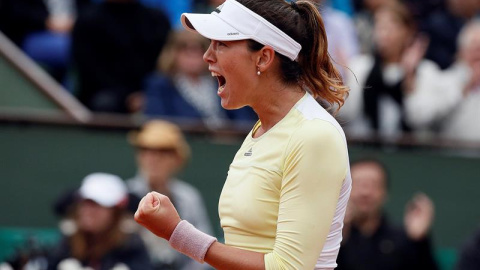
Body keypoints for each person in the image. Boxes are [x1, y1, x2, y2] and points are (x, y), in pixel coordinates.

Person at [134, 0, 352, 269]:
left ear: (263, 58)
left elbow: (289, 267)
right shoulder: (260, 131)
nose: (207, 56)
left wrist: (178, 233)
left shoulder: (314, 135)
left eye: (221, 44)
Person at [338, 1, 440, 139]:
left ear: (408, 32)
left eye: (390, 27)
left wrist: (409, 78)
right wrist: (338, 84)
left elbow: (419, 119)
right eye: (379, 26)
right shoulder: (360, 66)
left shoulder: (425, 71)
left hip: (411, 154)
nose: (383, 34)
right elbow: (347, 114)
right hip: (368, 149)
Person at [126, 120, 213, 270]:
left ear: (177, 159)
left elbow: (204, 251)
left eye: (163, 151)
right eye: (145, 150)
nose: (153, 158)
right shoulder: (125, 195)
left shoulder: (189, 197)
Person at [337, 158, 438, 270]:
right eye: (358, 184)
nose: (365, 192)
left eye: (373, 184)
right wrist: (337, 240)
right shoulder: (332, 236)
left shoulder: (404, 239)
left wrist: (419, 242)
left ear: (385, 192)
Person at [143, 30, 257, 130]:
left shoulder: (222, 81)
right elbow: (157, 122)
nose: (193, 57)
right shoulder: (160, 85)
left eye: (198, 51)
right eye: (186, 51)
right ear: (173, 54)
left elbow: (243, 120)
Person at [71, 0, 171, 113]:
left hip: (150, 91)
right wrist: (127, 97)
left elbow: (165, 64)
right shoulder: (88, 19)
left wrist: (147, 93)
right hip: (104, 92)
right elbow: (88, 69)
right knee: (105, 103)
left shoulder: (157, 19)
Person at [47, 173, 153, 270]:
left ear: (115, 212)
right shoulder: (69, 241)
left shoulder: (131, 246)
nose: (88, 211)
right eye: (85, 203)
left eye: (97, 205)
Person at [405, 19, 480, 142]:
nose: (479, 55)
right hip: (450, 156)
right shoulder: (444, 80)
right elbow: (417, 117)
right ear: (462, 52)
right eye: (475, 48)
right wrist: (464, 89)